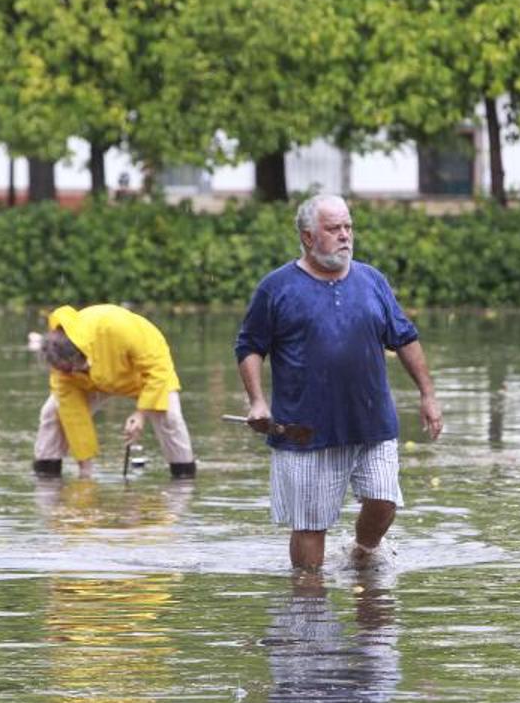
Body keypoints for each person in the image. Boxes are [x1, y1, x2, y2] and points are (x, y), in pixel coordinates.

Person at [234, 194, 443, 570]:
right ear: (309, 237)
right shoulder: (276, 287)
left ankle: (361, 552)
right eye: (334, 229)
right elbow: (249, 346)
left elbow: (405, 338)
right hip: (306, 428)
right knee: (311, 525)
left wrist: (428, 395)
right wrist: (257, 402)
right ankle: (308, 604)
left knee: (384, 501)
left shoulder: (372, 280)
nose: (345, 235)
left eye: (348, 227)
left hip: (372, 422)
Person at [33, 304, 196, 480]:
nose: (66, 374)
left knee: (170, 416)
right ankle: (46, 477)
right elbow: (74, 416)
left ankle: (183, 476)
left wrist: (141, 414)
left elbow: (158, 372)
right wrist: (85, 470)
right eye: (62, 370)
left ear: (78, 355)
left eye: (69, 369)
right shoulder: (62, 371)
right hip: (93, 382)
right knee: (52, 413)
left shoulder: (120, 328)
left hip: (140, 375)